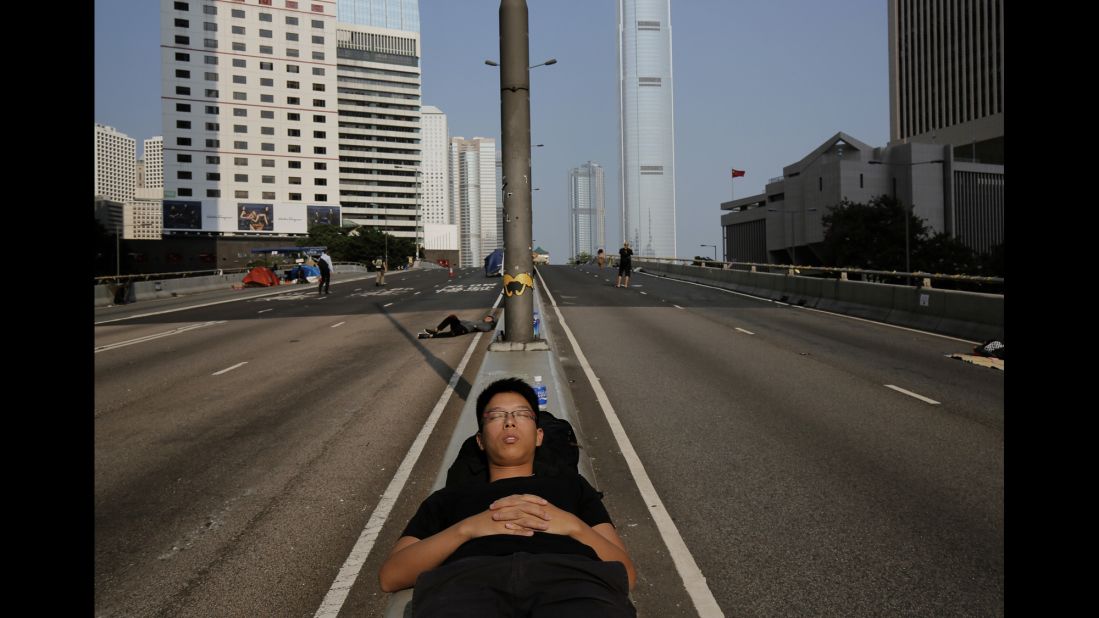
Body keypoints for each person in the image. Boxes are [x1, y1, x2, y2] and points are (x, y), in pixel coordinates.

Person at [379, 378, 636, 616]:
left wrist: (572, 526)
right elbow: (391, 575)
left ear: (539, 436)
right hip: (468, 584)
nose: (509, 421)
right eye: (496, 416)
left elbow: (626, 572)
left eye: (522, 414)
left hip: (571, 581)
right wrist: (468, 529)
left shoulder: (571, 486)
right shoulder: (449, 497)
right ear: (480, 440)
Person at [418, 314, 496, 339]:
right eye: (487, 316)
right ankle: (436, 330)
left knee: (452, 333)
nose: (487, 317)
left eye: (489, 318)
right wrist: (460, 321)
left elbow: (486, 329)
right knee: (452, 317)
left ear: (491, 321)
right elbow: (469, 322)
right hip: (460, 325)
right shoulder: (480, 321)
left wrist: (475, 326)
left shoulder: (487, 325)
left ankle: (429, 336)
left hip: (464, 329)